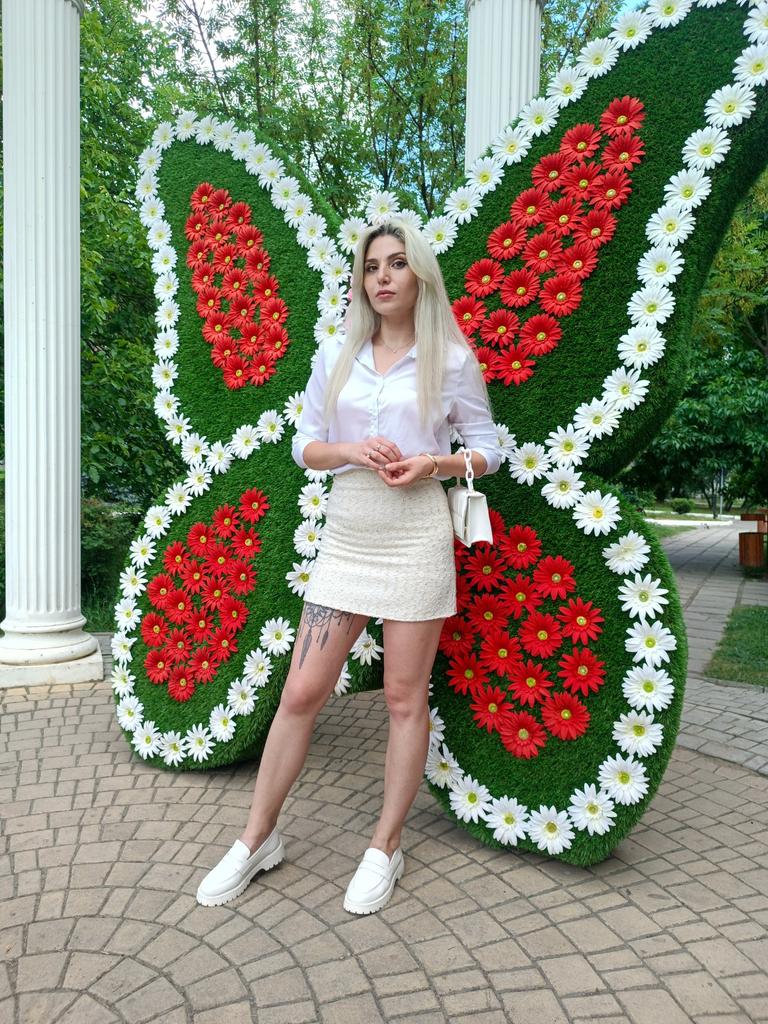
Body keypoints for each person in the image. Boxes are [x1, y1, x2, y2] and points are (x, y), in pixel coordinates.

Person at [196, 216, 501, 914]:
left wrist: (437, 463)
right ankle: (256, 838)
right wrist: (351, 452)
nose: (382, 277)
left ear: (419, 274)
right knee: (301, 690)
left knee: (403, 699)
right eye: (371, 266)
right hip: (349, 534)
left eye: (396, 263)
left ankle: (385, 846)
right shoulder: (337, 350)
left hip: (416, 533)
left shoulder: (451, 359)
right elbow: (305, 444)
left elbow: (489, 447)